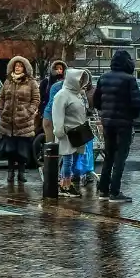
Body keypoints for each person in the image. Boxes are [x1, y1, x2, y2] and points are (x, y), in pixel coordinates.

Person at [93, 50, 140, 202]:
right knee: (121, 156)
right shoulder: (129, 80)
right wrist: (131, 116)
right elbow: (136, 104)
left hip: (107, 122)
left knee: (109, 155)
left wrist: (105, 112)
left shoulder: (103, 78)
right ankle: (115, 191)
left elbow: (96, 101)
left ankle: (103, 190)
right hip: (124, 123)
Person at [0, 56, 39, 184]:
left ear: (25, 68)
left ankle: (21, 173)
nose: (18, 68)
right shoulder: (8, 81)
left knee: (22, 150)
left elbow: (36, 100)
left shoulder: (31, 82)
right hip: (8, 122)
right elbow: (1, 97)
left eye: (20, 66)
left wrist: (28, 112)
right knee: (10, 150)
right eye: (16, 66)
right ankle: (10, 173)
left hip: (24, 122)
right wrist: (1, 110)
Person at [52, 68, 91, 196]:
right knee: (67, 159)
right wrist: (59, 131)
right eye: (79, 80)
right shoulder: (62, 95)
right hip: (67, 133)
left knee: (74, 159)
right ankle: (65, 185)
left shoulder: (78, 94)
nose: (80, 83)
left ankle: (68, 184)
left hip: (77, 133)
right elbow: (57, 114)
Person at [39, 60, 67, 142]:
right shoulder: (46, 82)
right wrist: (41, 111)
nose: (59, 70)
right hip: (48, 112)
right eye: (56, 68)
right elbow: (41, 96)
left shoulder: (66, 83)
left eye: (61, 69)